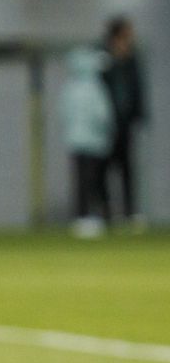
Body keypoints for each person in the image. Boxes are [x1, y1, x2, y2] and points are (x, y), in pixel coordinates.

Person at [60, 45, 117, 238]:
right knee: (95, 181)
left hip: (75, 141)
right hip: (94, 142)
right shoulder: (95, 87)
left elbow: (63, 113)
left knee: (80, 181)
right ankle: (95, 216)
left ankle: (81, 216)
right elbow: (103, 115)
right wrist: (107, 132)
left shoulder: (70, 87)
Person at [101, 16, 149, 232]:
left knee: (127, 169)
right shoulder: (102, 55)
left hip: (125, 122)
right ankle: (106, 213)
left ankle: (130, 213)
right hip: (104, 124)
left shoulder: (132, 57)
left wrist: (139, 113)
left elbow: (138, 88)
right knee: (103, 169)